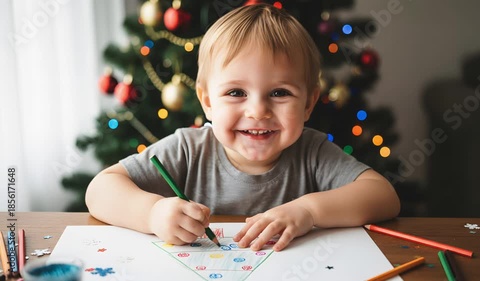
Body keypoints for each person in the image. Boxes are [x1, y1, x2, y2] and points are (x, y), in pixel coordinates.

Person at [86, 3, 400, 252]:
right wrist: (152, 213)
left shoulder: (312, 152)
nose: (258, 111)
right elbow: (100, 190)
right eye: (236, 93)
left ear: (308, 103)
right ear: (207, 102)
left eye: (279, 93)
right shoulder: (188, 148)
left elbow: (383, 195)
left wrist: (308, 211)